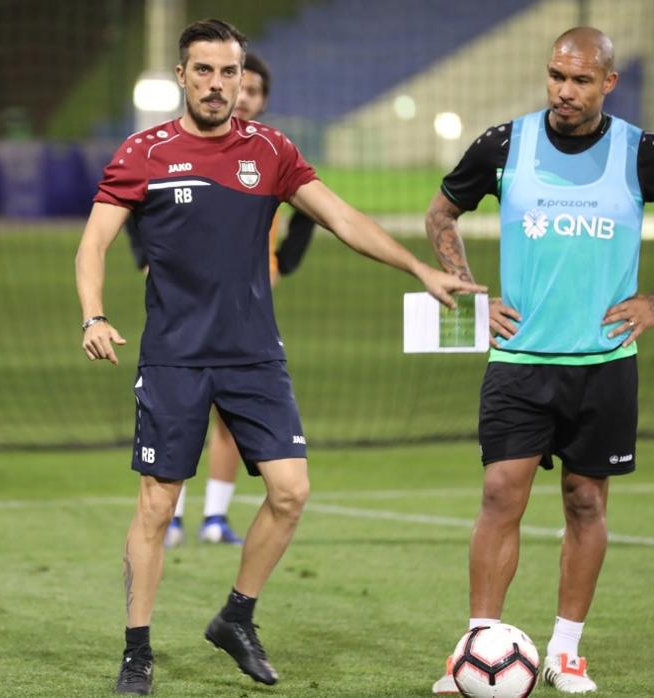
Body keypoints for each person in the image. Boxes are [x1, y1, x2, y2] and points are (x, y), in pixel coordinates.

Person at [75, 18, 482, 695]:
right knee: (155, 504)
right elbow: (91, 246)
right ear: (181, 76)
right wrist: (93, 314)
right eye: (202, 71)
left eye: (227, 72)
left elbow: (343, 218)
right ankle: (136, 650)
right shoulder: (142, 153)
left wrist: (418, 268)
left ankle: (236, 616)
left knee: (290, 492)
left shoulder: (270, 151)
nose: (214, 84)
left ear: (242, 80)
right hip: (174, 357)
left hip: (253, 356)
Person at [424, 27, 654, 694]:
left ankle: (565, 653)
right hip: (518, 361)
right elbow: (440, 215)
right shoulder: (502, 145)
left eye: (580, 80)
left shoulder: (643, 153)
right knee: (499, 496)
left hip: (604, 364)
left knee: (585, 503)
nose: (564, 90)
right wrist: (471, 300)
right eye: (556, 75)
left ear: (608, 83)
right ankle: (475, 647)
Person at [163, 51, 318, 549]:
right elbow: (137, 202)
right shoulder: (176, 147)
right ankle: (173, 516)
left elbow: (313, 209)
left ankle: (213, 517)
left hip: (247, 311)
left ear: (262, 99)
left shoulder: (271, 154)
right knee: (183, 416)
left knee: (231, 420)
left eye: (251, 90)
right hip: (188, 313)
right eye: (236, 84)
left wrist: (282, 264)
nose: (241, 95)